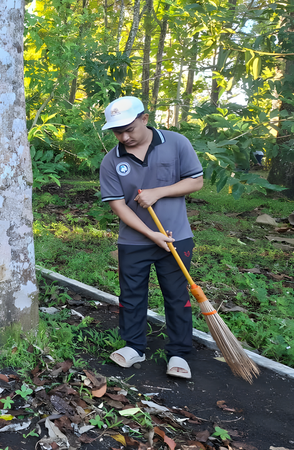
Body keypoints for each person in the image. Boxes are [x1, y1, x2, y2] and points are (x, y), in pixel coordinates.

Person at [99, 96, 204, 379]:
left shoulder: (176, 143)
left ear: (145, 118)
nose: (124, 137)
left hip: (176, 237)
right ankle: (134, 346)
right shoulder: (112, 161)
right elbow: (118, 205)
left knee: (176, 295)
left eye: (129, 129)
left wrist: (158, 192)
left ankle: (179, 353)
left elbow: (196, 180)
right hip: (134, 241)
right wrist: (149, 233)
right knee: (131, 296)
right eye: (117, 132)